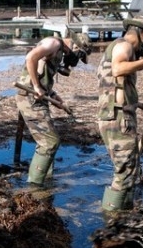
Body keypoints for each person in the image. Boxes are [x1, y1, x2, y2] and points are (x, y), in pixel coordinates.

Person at [97, 16, 143, 211]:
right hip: (118, 119)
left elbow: (117, 88)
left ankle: (124, 213)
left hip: (115, 115)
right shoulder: (124, 46)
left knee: (130, 170)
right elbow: (118, 69)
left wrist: (141, 105)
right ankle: (111, 220)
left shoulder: (118, 46)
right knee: (125, 172)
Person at [15, 31, 92, 186]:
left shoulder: (60, 51)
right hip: (30, 97)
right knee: (50, 142)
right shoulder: (54, 43)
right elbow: (30, 58)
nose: (76, 60)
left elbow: (43, 73)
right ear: (75, 45)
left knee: (47, 139)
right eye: (79, 54)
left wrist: (53, 95)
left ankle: (47, 179)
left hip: (39, 97)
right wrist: (36, 86)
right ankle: (34, 187)